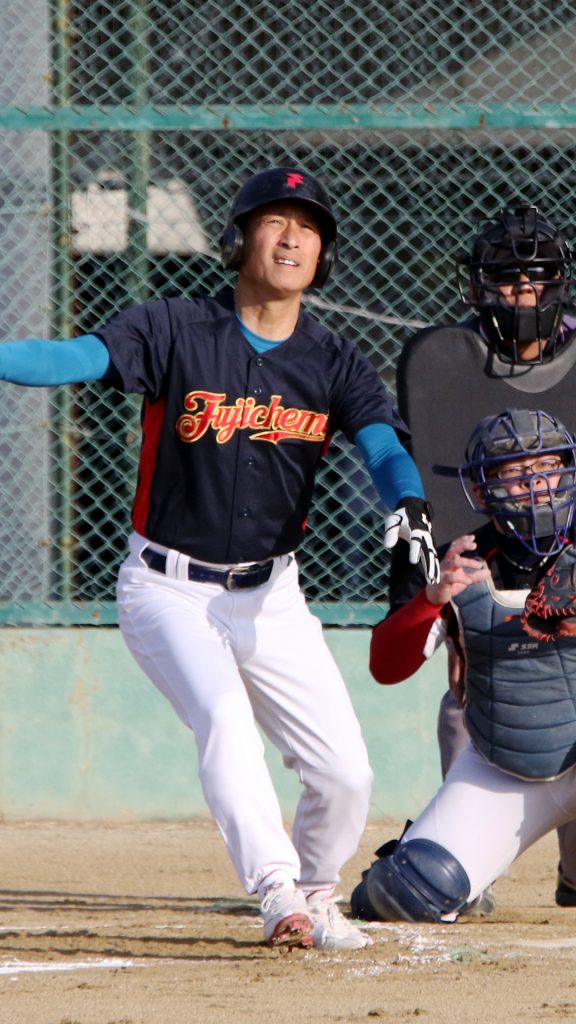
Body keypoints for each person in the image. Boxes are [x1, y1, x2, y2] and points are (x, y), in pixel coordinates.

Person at [0, 166, 439, 950]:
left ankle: (316, 891)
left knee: (345, 773)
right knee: (225, 720)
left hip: (272, 596)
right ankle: (277, 893)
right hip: (167, 588)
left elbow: (380, 444)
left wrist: (406, 499)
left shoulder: (334, 360)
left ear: (325, 254)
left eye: (309, 227)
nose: (293, 237)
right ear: (239, 240)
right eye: (275, 221)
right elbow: (70, 359)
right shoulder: (174, 328)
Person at [393, 203, 576, 908]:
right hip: (482, 550)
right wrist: (434, 594)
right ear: (478, 286)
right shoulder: (444, 367)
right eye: (507, 279)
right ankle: (467, 850)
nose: (523, 293)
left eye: (537, 279)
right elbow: (426, 473)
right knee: (474, 681)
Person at [350, 407, 576, 923]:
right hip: (507, 761)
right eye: (515, 472)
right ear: (482, 488)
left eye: (548, 467)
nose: (535, 484)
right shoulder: (455, 560)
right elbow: (386, 667)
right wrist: (431, 599)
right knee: (411, 891)